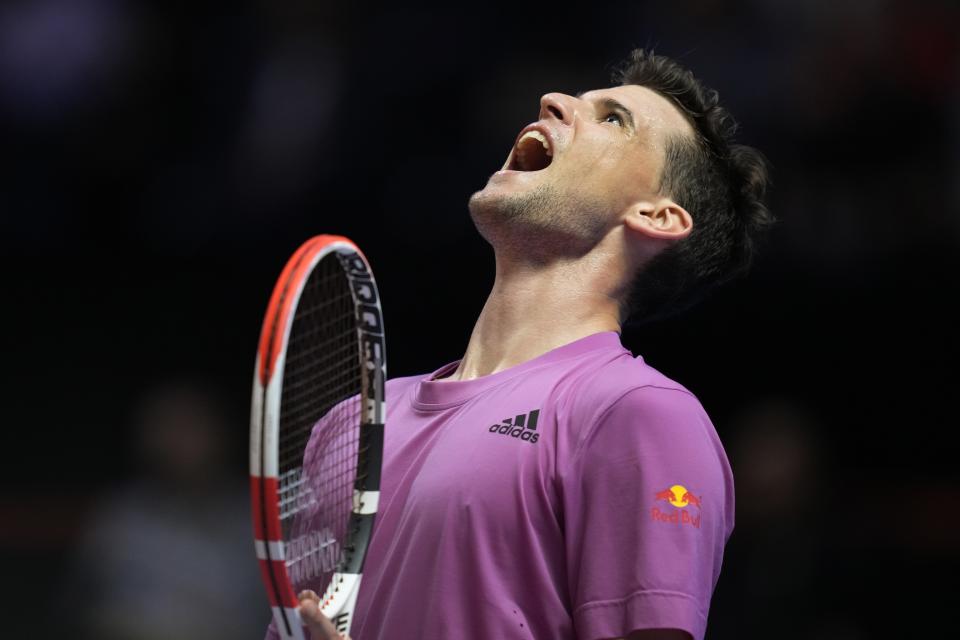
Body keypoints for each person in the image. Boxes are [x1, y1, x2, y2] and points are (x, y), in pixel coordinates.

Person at [270, 48, 772, 640]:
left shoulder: (638, 415)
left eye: (613, 119)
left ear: (657, 216)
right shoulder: (349, 429)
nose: (553, 100)